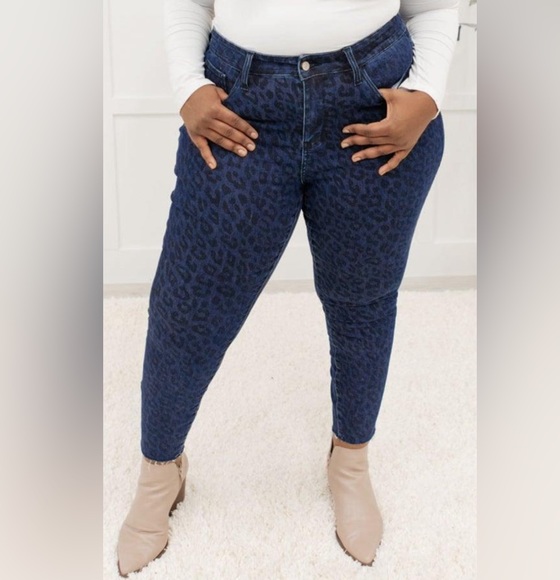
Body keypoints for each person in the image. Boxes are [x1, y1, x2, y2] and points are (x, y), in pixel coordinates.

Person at [116, 0, 459, 575]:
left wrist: (427, 94)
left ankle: (349, 462)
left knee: (363, 301)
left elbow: (435, 4)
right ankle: (159, 472)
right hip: (242, 108)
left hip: (373, 105)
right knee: (187, 309)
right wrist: (188, 87)